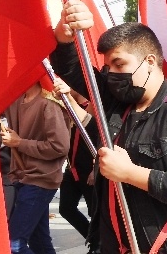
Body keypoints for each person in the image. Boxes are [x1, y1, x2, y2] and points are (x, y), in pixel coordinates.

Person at [49, 0, 167, 254]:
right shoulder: (116, 101)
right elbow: (72, 68)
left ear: (150, 61)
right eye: (107, 67)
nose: (112, 74)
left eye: (120, 64)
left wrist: (130, 173)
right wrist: (65, 32)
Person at [2, 81, 70, 254]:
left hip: (40, 180)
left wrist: (20, 143)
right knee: (40, 243)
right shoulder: (16, 100)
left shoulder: (49, 103)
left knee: (14, 245)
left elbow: (60, 147)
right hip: (22, 177)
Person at [54, 79, 100, 254]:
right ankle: (93, 239)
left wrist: (96, 169)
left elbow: (100, 135)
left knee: (94, 212)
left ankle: (98, 246)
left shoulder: (94, 104)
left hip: (90, 169)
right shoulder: (66, 107)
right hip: (73, 168)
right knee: (66, 208)